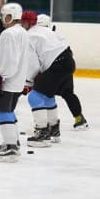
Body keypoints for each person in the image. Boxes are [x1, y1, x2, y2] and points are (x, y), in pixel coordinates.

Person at [22, 11, 77, 147]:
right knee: (47, 95)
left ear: (28, 23)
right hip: (68, 62)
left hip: (57, 64)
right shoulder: (45, 31)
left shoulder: (28, 36)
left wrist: (28, 82)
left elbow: (33, 64)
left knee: (34, 97)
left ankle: (42, 134)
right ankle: (53, 130)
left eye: (23, 22)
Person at [0, 2, 29, 161]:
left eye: (4, 16)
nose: (2, 20)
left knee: (3, 111)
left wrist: (0, 77)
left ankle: (11, 148)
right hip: (18, 80)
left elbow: (10, 59)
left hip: (8, 80)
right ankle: (13, 141)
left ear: (11, 16)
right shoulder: (23, 32)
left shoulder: (9, 34)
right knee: (9, 110)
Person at [38, 14, 89, 130]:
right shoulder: (57, 36)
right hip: (66, 67)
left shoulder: (40, 38)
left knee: (44, 94)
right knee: (68, 94)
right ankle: (79, 118)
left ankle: (47, 124)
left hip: (55, 69)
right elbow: (69, 52)